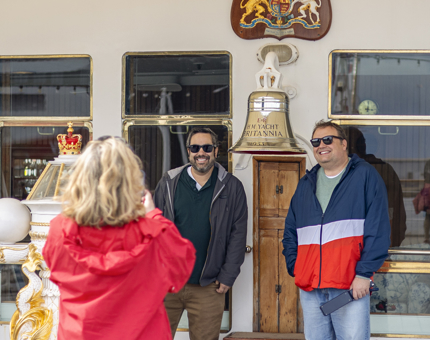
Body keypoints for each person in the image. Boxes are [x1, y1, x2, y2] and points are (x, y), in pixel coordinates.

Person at [43, 137, 196, 340]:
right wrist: (153, 216)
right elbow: (180, 269)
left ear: (81, 178)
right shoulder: (150, 231)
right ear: (131, 180)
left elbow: (55, 268)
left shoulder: (60, 229)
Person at [282, 120, 391, 340]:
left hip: (348, 286)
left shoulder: (365, 176)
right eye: (316, 141)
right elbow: (290, 231)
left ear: (344, 145)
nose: (321, 144)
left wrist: (363, 274)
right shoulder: (306, 183)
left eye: (327, 139)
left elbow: (378, 229)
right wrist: (296, 266)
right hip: (311, 287)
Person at [154, 127, 248, 340]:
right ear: (188, 152)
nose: (201, 153)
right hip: (167, 284)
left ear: (216, 150)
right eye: (195, 148)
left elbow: (238, 234)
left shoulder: (232, 187)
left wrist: (228, 275)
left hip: (209, 286)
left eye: (207, 147)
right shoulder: (169, 182)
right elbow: (153, 228)